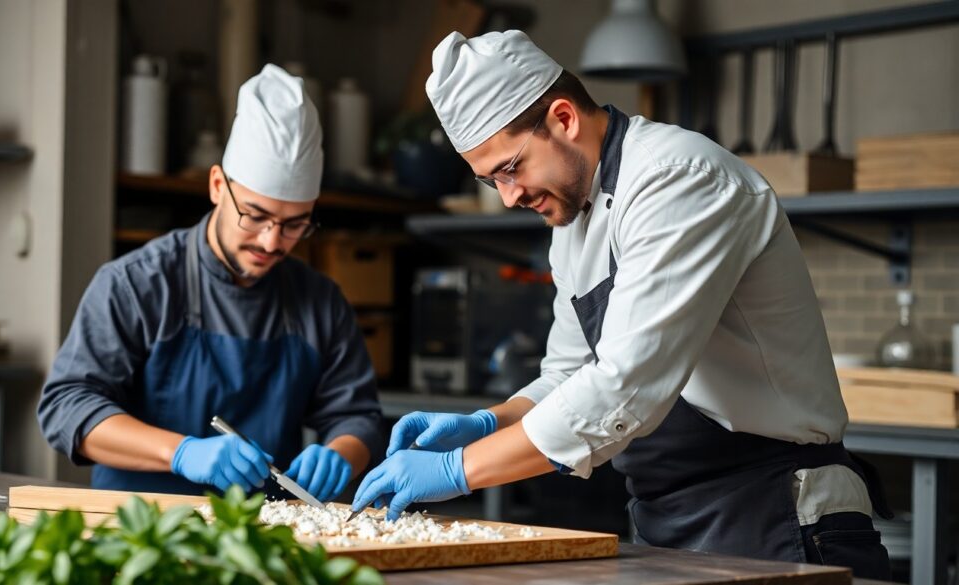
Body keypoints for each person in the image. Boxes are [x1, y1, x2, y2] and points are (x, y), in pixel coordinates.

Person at [352, 31, 891, 578]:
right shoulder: (572, 218)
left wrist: (458, 469)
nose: (509, 196)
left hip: (776, 511)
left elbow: (624, 387)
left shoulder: (678, 179)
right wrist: (491, 421)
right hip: (666, 515)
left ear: (564, 118)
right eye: (491, 181)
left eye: (511, 167)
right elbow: (568, 375)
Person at [38, 65, 382, 501]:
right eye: (255, 216)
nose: (272, 241)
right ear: (218, 185)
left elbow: (358, 416)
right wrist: (181, 452)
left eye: (295, 224)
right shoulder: (136, 284)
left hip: (267, 535)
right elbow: (66, 408)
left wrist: (341, 453)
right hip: (141, 530)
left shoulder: (320, 301)